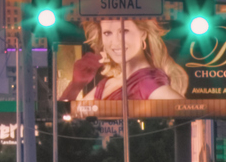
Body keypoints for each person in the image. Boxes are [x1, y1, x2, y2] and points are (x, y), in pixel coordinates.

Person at [59, 16, 187, 104]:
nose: (115, 42)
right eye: (107, 33)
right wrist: (76, 85)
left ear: (143, 33)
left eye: (124, 31)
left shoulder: (147, 82)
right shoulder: (107, 84)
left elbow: (187, 113)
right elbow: (63, 123)